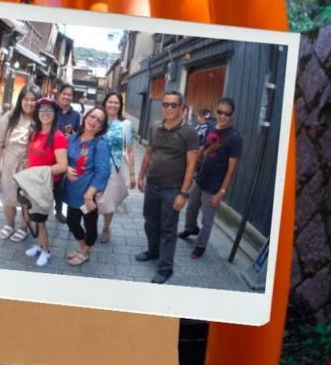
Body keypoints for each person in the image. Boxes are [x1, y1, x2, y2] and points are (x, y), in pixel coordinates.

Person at [135, 90, 200, 284]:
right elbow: (149, 153)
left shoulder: (189, 132)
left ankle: (165, 268)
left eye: (173, 105)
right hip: (153, 185)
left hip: (173, 189)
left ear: (181, 108)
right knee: (150, 222)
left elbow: (191, 165)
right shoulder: (155, 127)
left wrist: (183, 193)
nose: (169, 108)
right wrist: (141, 176)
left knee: (168, 229)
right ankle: (153, 251)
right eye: (165, 104)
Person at [179, 97, 243, 258]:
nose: (222, 116)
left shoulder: (235, 138)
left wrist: (221, 192)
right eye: (220, 112)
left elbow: (231, 169)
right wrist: (200, 157)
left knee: (207, 220)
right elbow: (205, 151)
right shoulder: (212, 128)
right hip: (201, 179)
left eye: (226, 114)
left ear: (232, 115)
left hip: (214, 186)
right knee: (191, 208)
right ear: (216, 111)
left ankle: (201, 246)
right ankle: (191, 228)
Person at [20, 98, 69, 266]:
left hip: (45, 183)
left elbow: (63, 166)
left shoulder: (58, 136)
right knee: (32, 216)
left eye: (49, 110)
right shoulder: (34, 133)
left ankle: (46, 251)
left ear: (55, 114)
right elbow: (31, 158)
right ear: (37, 113)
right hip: (31, 182)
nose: (45, 113)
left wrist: (40, 172)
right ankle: (40, 246)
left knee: (39, 220)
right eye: (42, 110)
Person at [62, 106, 111, 266]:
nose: (93, 121)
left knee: (90, 225)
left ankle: (84, 252)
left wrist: (89, 196)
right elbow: (65, 160)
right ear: (86, 117)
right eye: (92, 116)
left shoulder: (100, 144)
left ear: (102, 127)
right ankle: (82, 247)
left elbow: (103, 171)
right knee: (72, 222)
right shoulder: (74, 138)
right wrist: (66, 168)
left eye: (99, 120)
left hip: (89, 195)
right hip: (72, 192)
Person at [0, 87, 37, 241]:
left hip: (30, 165)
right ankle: (9, 224)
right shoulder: (10, 117)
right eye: (26, 99)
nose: (29, 103)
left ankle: (24, 228)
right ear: (20, 100)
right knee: (8, 197)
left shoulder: (40, 119)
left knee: (27, 200)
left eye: (33, 99)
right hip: (9, 163)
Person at [99, 91, 136, 243]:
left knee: (110, 200)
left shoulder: (125, 125)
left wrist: (133, 174)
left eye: (116, 102)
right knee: (92, 199)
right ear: (105, 103)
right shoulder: (97, 120)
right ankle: (90, 225)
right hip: (94, 167)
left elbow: (130, 150)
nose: (113, 105)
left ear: (120, 106)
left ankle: (106, 227)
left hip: (114, 168)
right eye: (110, 101)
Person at [53, 85, 81, 222]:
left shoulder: (75, 116)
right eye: (64, 93)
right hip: (49, 152)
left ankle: (58, 210)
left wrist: (73, 136)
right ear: (59, 94)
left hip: (66, 154)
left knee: (61, 184)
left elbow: (78, 135)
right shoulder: (51, 109)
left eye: (69, 95)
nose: (66, 97)